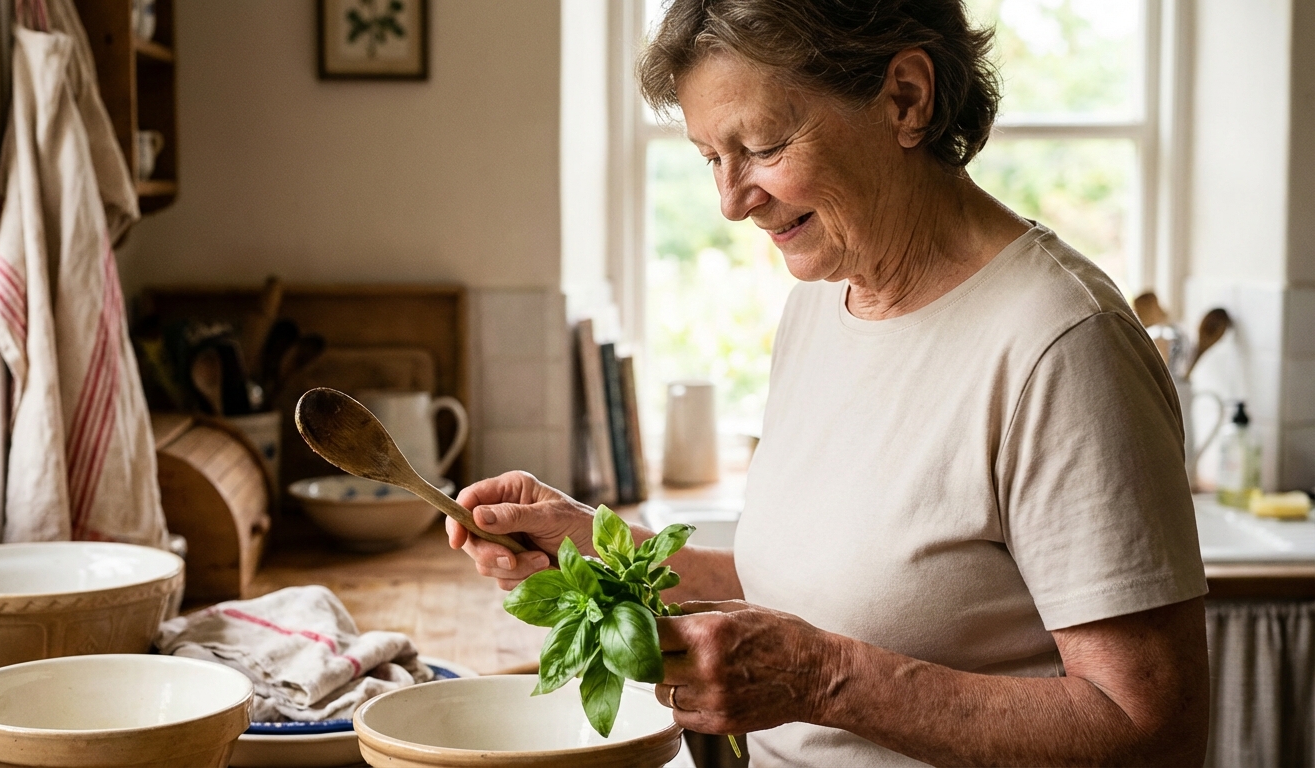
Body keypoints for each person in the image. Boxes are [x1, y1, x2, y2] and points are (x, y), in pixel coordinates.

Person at [448, 1, 1210, 764]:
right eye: (711, 157)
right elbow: (813, 588)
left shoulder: (1063, 345)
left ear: (906, 98)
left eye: (765, 145)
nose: (730, 200)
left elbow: (1153, 731)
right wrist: (593, 548)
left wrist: (825, 679)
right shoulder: (819, 302)